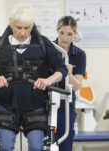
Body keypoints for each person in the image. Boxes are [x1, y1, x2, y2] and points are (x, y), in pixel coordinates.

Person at [0, 4, 68, 151]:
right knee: (5, 147)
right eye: (18, 28)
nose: (22, 32)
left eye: (27, 28)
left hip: (36, 105)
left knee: (36, 146)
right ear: (11, 23)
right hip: (5, 105)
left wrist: (49, 80)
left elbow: (61, 69)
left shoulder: (43, 43)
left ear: (32, 25)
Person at [54, 16, 86, 151]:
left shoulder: (79, 55)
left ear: (74, 34)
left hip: (66, 108)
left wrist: (70, 75)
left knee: (65, 146)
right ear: (57, 31)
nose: (65, 38)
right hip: (45, 105)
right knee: (45, 145)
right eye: (62, 33)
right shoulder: (47, 50)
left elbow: (77, 86)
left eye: (69, 34)